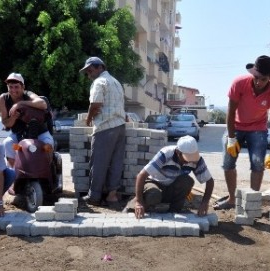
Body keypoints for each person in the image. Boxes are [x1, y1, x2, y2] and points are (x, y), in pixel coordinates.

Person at [213, 55, 270, 210]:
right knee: (227, 162)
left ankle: (252, 203)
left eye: (263, 79)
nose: (258, 82)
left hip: (257, 129)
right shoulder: (239, 83)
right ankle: (232, 199)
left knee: (258, 164)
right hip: (235, 126)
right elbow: (230, 113)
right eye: (256, 77)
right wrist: (231, 138)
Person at [79, 56, 127, 207]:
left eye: (90, 70)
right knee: (116, 162)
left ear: (100, 67)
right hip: (120, 126)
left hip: (105, 127)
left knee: (98, 163)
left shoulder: (99, 82)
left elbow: (95, 105)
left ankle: (94, 197)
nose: (89, 74)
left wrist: (88, 120)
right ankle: (112, 196)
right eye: (87, 72)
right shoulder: (116, 82)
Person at [128, 136, 214, 219]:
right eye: (186, 158)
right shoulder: (166, 154)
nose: (189, 161)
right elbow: (141, 176)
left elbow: (209, 181)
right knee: (154, 195)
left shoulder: (196, 159)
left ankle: (174, 211)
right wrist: (139, 202)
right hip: (155, 183)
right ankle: (135, 205)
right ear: (177, 152)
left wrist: (205, 202)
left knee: (187, 181)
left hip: (171, 187)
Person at [0, 72, 54, 168]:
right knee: (7, 143)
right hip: (18, 134)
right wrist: (13, 117)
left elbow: (42, 103)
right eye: (10, 87)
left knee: (48, 145)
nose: (13, 90)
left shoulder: (28, 94)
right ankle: (14, 173)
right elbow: (6, 122)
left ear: (23, 87)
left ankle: (46, 170)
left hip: (40, 133)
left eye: (16, 87)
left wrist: (20, 104)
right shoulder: (3, 98)